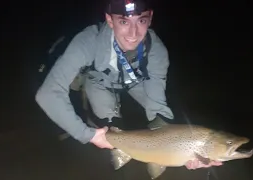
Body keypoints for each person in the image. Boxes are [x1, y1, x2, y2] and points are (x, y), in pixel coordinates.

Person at [35, 0, 222, 170]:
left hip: (134, 81)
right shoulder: (87, 42)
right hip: (99, 80)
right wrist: (87, 135)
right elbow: (47, 94)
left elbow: (156, 103)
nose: (133, 33)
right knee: (111, 130)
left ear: (150, 19)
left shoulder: (157, 50)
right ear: (110, 20)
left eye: (140, 21)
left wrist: (184, 151)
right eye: (124, 21)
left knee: (166, 117)